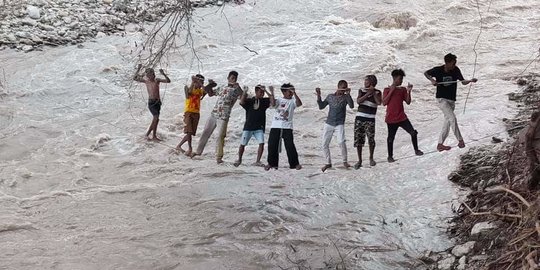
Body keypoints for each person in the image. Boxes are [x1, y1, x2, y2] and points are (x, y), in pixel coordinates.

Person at [424, 53, 478, 151]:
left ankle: (440, 144)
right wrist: (432, 80)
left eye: (455, 63)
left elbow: (463, 82)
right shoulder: (437, 70)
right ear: (447, 63)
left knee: (447, 122)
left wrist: (470, 81)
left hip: (451, 100)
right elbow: (426, 73)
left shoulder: (456, 70)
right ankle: (460, 140)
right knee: (452, 118)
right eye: (453, 63)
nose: (454, 65)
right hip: (441, 99)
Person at [191, 71, 244, 164]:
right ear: (228, 78)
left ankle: (219, 157)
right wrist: (209, 86)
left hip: (224, 116)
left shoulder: (236, 89)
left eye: (235, 78)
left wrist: (237, 86)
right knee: (206, 132)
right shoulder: (222, 86)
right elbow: (211, 94)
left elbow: (242, 95)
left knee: (220, 136)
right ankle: (198, 151)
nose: (233, 80)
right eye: (232, 78)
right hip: (214, 113)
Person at [383, 69, 424, 163]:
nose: (401, 81)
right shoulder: (386, 89)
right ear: (394, 78)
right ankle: (390, 156)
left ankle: (416, 150)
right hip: (391, 118)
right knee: (390, 138)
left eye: (401, 79)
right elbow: (384, 103)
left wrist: (409, 91)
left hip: (401, 117)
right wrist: (391, 91)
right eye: (400, 79)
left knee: (413, 133)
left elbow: (408, 102)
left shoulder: (402, 89)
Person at [316, 80, 354, 172]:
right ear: (338, 86)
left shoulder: (345, 97)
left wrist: (349, 94)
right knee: (324, 144)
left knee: (341, 142)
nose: (344, 89)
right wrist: (318, 95)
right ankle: (328, 163)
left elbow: (352, 106)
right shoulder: (330, 96)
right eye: (343, 87)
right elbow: (321, 107)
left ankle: (345, 161)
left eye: (345, 87)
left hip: (339, 124)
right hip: (329, 123)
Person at [233, 85, 275, 167]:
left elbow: (273, 103)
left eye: (263, 92)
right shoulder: (250, 101)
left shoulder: (264, 101)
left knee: (261, 143)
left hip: (259, 127)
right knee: (243, 144)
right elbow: (241, 102)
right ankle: (239, 160)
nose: (262, 94)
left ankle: (258, 161)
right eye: (260, 92)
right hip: (248, 126)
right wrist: (245, 91)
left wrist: (268, 91)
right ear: (256, 92)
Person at [176, 74, 216, 155]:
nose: (201, 84)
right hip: (188, 112)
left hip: (196, 113)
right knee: (189, 132)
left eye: (202, 82)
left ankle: (179, 146)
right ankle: (190, 148)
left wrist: (210, 84)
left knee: (190, 133)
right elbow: (188, 94)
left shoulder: (200, 91)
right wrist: (194, 82)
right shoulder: (187, 87)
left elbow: (208, 92)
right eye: (200, 82)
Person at [265, 83, 303, 170]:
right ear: (284, 92)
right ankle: (272, 164)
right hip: (275, 125)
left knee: (290, 146)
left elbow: (299, 104)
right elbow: (273, 104)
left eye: (291, 91)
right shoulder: (279, 99)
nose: (290, 93)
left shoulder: (292, 101)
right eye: (289, 91)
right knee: (272, 145)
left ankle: (295, 164)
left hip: (287, 127)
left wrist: (295, 93)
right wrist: (272, 91)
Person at [133, 64, 171, 141]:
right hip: (151, 103)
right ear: (147, 75)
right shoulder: (146, 81)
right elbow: (134, 78)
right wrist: (138, 69)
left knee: (156, 119)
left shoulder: (157, 80)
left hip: (158, 102)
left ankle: (147, 135)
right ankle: (153, 136)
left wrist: (163, 73)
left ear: (154, 74)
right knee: (155, 118)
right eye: (149, 75)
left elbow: (168, 81)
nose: (151, 76)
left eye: (152, 74)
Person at [354, 75, 382, 169]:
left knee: (371, 139)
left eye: (367, 81)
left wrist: (373, 93)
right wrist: (367, 94)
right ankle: (360, 160)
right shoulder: (361, 90)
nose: (365, 82)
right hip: (359, 117)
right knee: (359, 139)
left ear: (372, 82)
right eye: (365, 81)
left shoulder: (378, 92)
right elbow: (358, 101)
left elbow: (379, 103)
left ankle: (371, 158)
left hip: (370, 118)